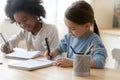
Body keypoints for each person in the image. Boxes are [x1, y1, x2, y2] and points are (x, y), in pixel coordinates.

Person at [45, 1, 107, 68]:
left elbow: (100, 62)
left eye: (73, 29)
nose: (68, 32)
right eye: (67, 27)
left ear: (87, 26)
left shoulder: (94, 40)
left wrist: (74, 62)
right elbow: (59, 48)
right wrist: (51, 53)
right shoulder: (69, 37)